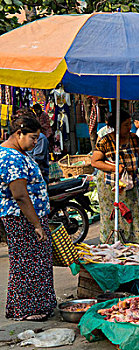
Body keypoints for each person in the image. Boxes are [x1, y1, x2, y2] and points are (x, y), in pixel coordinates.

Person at [0, 116, 56, 321]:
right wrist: (36, 225)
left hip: (26, 217)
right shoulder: (11, 157)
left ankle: (28, 307)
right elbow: (20, 195)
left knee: (32, 262)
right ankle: (28, 309)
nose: (35, 143)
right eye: (32, 138)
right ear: (18, 134)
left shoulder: (17, 152)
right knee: (27, 264)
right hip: (22, 218)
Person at [91, 109, 139, 244]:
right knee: (111, 215)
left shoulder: (134, 138)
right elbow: (95, 162)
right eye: (125, 125)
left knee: (132, 213)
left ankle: (133, 243)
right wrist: (114, 168)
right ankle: (111, 243)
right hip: (109, 186)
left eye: (130, 124)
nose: (129, 127)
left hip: (130, 183)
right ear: (116, 126)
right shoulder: (105, 141)